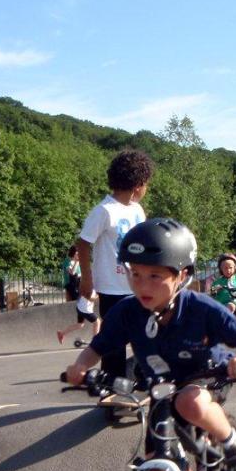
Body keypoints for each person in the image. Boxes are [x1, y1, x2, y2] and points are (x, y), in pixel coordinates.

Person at [66, 218, 236, 471]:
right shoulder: (127, 312)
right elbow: (96, 348)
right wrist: (80, 366)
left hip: (204, 379)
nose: (142, 286)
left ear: (182, 275)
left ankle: (234, 446)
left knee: (189, 404)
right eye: (135, 274)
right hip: (161, 390)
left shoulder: (200, 308)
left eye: (155, 276)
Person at [76, 149, 152, 380]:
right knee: (113, 343)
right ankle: (111, 389)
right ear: (138, 184)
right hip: (111, 289)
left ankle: (140, 380)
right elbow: (83, 243)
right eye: (146, 184)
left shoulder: (137, 210)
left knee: (147, 338)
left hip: (138, 287)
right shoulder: (104, 211)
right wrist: (87, 280)